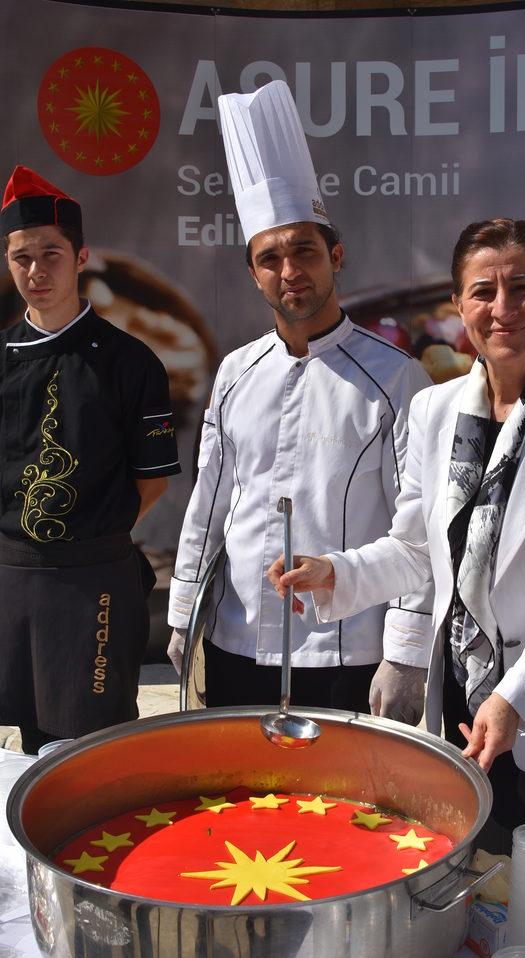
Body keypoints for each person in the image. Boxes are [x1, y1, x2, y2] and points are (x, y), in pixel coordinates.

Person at [268, 218, 525, 852]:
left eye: (523, 288)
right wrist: (339, 572)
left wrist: (515, 698)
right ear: (459, 305)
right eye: (483, 291)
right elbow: (417, 548)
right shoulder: (434, 412)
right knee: (487, 908)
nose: (504, 309)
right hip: (466, 711)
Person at [167, 81, 431, 714]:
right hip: (236, 642)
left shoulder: (395, 379)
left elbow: (416, 531)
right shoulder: (234, 373)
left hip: (346, 652)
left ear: (336, 256)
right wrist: (182, 614)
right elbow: (209, 502)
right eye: (271, 258)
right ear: (253, 273)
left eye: (305, 251)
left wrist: (406, 655)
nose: (291, 271)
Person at [0, 165, 180, 754]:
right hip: (10, 578)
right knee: (25, 748)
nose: (36, 270)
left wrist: (91, 545)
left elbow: (150, 481)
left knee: (91, 751)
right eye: (21, 257)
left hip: (93, 583)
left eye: (50, 254)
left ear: (81, 259)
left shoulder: (128, 361)